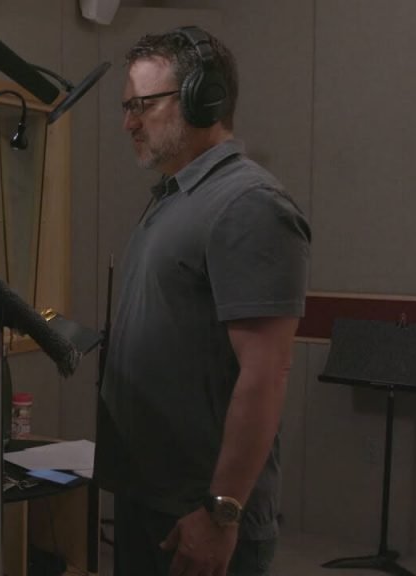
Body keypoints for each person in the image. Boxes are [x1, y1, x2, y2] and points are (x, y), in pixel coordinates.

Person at [95, 26, 311, 576]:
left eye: (142, 105)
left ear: (202, 99)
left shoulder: (248, 204)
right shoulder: (173, 199)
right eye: (127, 106)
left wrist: (221, 512)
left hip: (199, 512)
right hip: (150, 499)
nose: (129, 123)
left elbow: (266, 372)